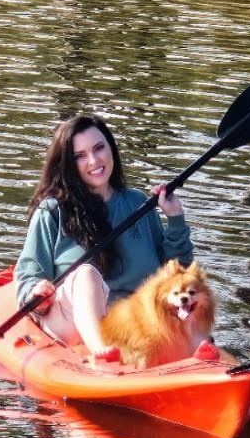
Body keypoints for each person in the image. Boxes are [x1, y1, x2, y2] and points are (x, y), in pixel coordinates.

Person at [15, 114, 194, 362]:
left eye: (99, 148)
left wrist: (175, 218)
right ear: (68, 163)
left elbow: (177, 274)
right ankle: (102, 351)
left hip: (134, 321)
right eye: (80, 155)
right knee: (87, 274)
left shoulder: (138, 204)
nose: (94, 160)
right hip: (73, 323)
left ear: (112, 149)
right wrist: (36, 293)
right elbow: (27, 275)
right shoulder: (53, 211)